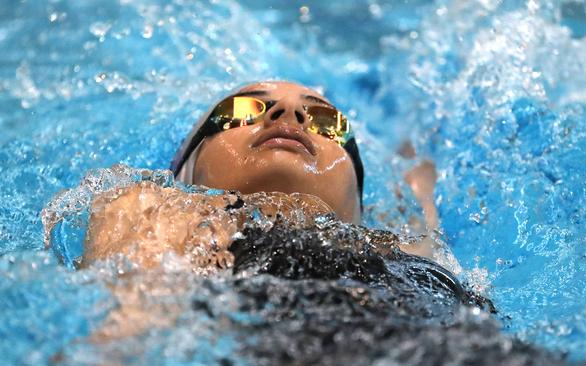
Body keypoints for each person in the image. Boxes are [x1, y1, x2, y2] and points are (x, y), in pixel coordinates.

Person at [83, 81, 442, 270]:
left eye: (326, 121)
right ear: (184, 171)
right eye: (244, 109)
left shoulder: (403, 249)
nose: (290, 112)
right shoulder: (152, 211)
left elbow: (420, 199)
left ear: (358, 204)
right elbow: (123, 336)